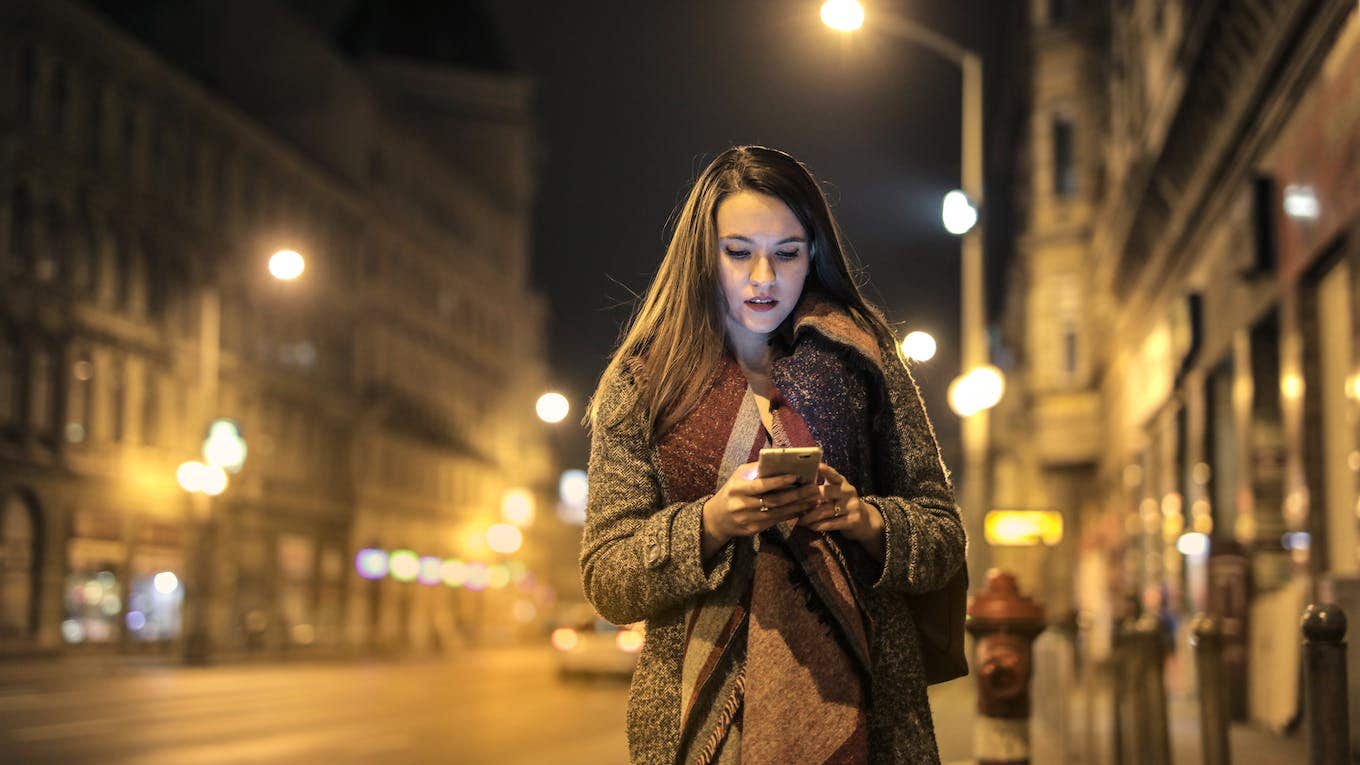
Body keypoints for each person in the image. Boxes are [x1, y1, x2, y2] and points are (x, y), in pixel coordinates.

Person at [580, 145, 965, 764]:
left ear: (813, 254)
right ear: (704, 256)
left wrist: (863, 518)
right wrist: (711, 524)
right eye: (739, 252)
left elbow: (942, 537)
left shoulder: (862, 360)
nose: (764, 278)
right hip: (701, 733)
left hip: (869, 724)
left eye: (786, 253)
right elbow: (607, 577)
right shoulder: (645, 380)